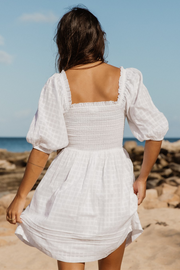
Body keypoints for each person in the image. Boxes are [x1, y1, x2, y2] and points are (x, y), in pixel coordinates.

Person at [6, 6, 169, 270]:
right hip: (115, 181)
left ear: (65, 42)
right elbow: (155, 132)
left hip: (70, 182)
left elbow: (43, 146)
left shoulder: (58, 84)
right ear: (98, 38)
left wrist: (21, 196)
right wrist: (143, 177)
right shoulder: (126, 79)